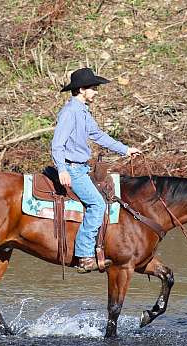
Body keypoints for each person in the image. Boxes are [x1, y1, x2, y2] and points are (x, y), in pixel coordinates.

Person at [51, 67, 141, 273]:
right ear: (82, 89)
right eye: (94, 88)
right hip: (73, 170)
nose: (96, 92)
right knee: (98, 205)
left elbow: (99, 136)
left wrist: (125, 149)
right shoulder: (70, 112)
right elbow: (57, 144)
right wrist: (62, 169)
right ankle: (84, 256)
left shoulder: (83, 112)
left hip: (82, 168)